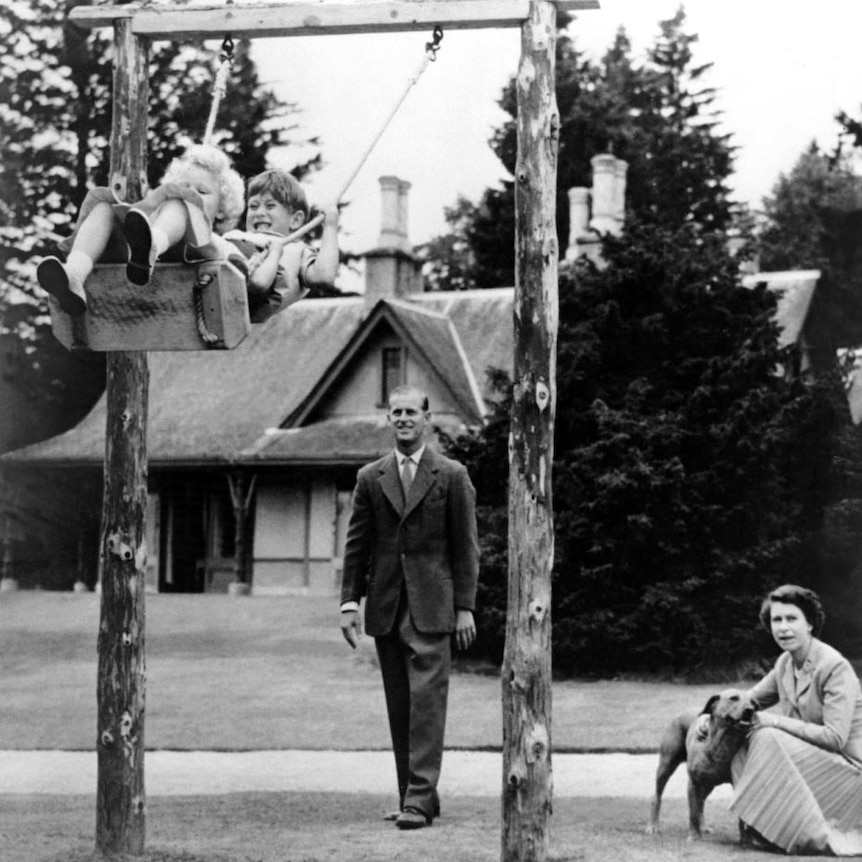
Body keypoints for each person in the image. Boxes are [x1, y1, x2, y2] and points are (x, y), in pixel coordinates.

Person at [339, 384, 479, 830]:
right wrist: (349, 603)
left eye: (410, 412)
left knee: (427, 706)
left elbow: (466, 548)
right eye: (395, 412)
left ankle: (419, 801)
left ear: (426, 418)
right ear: (388, 419)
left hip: (434, 610)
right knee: (400, 707)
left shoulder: (452, 475)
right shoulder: (370, 478)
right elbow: (357, 545)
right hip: (385, 608)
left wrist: (465, 607)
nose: (403, 419)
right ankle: (413, 797)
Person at [37, 144, 246, 316]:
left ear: (221, 209)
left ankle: (151, 246)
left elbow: (233, 261)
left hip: (179, 254)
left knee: (179, 206)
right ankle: (74, 273)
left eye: (202, 192)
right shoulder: (164, 214)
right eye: (183, 187)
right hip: (132, 256)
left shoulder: (215, 240)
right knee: (104, 208)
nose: (189, 195)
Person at [729, 584, 862, 855]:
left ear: (810, 624)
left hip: (851, 771)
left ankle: (777, 828)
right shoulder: (785, 664)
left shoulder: (833, 666)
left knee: (766, 734)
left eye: (792, 619)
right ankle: (761, 823)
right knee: (740, 731)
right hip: (819, 764)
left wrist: (776, 721)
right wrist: (709, 716)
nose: (783, 627)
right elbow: (748, 701)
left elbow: (835, 738)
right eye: (777, 620)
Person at [223, 169, 339, 323]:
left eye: (270, 206)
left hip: (253, 289)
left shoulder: (296, 250)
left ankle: (238, 269)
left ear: (295, 220)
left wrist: (330, 226)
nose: (259, 213)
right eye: (253, 206)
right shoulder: (237, 235)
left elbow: (323, 276)